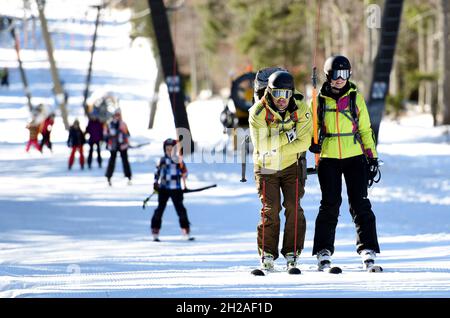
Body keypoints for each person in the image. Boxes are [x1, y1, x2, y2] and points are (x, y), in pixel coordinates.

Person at [309, 55, 381, 271]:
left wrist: (372, 157)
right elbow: (309, 129)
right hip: (329, 158)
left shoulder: (355, 98)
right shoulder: (318, 100)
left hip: (354, 157)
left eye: (345, 74)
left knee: (360, 203)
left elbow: (365, 130)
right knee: (330, 204)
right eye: (336, 74)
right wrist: (312, 143)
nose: (340, 79)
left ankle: (367, 247)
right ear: (328, 75)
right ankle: (323, 250)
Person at [248, 70, 312, 271]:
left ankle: (292, 251)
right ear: (269, 92)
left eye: (286, 94)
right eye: (277, 94)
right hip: (266, 166)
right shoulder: (258, 112)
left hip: (291, 166)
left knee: (293, 206)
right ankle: (267, 253)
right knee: (271, 209)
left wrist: (280, 144)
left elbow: (305, 142)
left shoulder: (301, 108)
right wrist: (288, 137)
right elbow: (263, 145)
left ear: (292, 93)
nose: (282, 99)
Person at [151, 138, 192, 242]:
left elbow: (185, 173)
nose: (169, 151)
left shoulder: (179, 161)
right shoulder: (162, 160)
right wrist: (156, 182)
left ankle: (185, 229)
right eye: (167, 149)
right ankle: (155, 229)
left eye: (172, 149)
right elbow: (157, 172)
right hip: (164, 188)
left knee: (181, 210)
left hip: (176, 189)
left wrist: (183, 174)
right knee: (160, 209)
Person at [104, 108, 132, 185]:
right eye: (116, 115)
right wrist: (110, 137)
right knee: (112, 161)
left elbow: (127, 134)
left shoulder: (123, 124)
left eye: (118, 115)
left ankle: (128, 176)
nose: (117, 117)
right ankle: (108, 177)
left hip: (123, 146)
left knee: (125, 161)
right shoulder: (109, 124)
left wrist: (125, 141)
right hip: (113, 146)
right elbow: (105, 135)